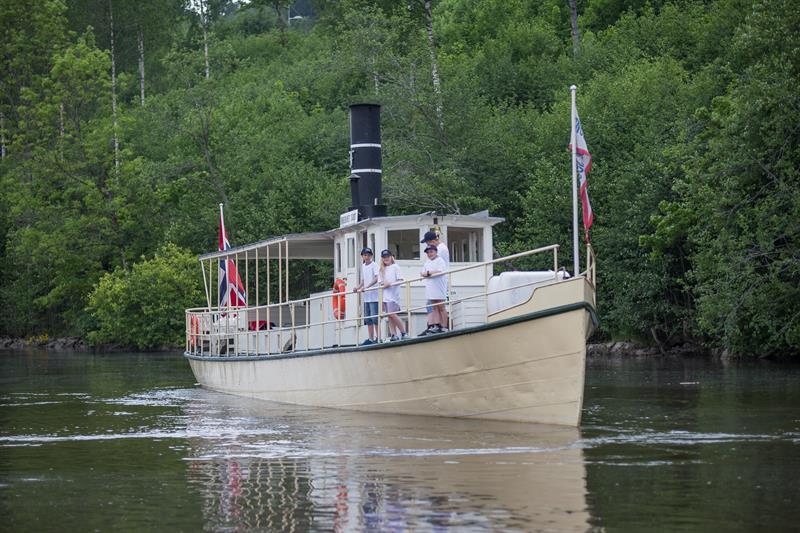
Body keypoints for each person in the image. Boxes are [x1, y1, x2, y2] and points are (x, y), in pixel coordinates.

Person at [420, 230, 450, 332]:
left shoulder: (441, 249)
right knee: (432, 306)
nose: (429, 252)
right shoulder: (431, 258)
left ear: (432, 241)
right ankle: (434, 326)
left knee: (440, 306)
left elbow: (439, 269)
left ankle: (441, 326)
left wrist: (428, 273)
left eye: (428, 243)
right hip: (432, 284)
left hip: (440, 282)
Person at [378, 249, 407, 341]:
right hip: (385, 296)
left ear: (391, 257)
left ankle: (403, 332)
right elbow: (380, 283)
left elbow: (400, 280)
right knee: (389, 316)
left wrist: (389, 283)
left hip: (394, 296)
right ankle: (393, 334)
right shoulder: (381, 269)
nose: (386, 259)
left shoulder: (395, 267)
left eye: (388, 257)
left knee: (392, 314)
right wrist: (384, 285)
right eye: (384, 257)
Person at [353, 247, 379, 345]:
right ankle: (371, 338)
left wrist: (367, 287)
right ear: (362, 256)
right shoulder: (363, 266)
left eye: (368, 255)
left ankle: (378, 337)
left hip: (374, 295)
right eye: (365, 255)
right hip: (366, 296)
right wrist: (357, 287)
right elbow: (363, 280)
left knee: (375, 318)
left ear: (371, 256)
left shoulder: (374, 265)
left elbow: (376, 278)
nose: (366, 257)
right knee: (368, 319)